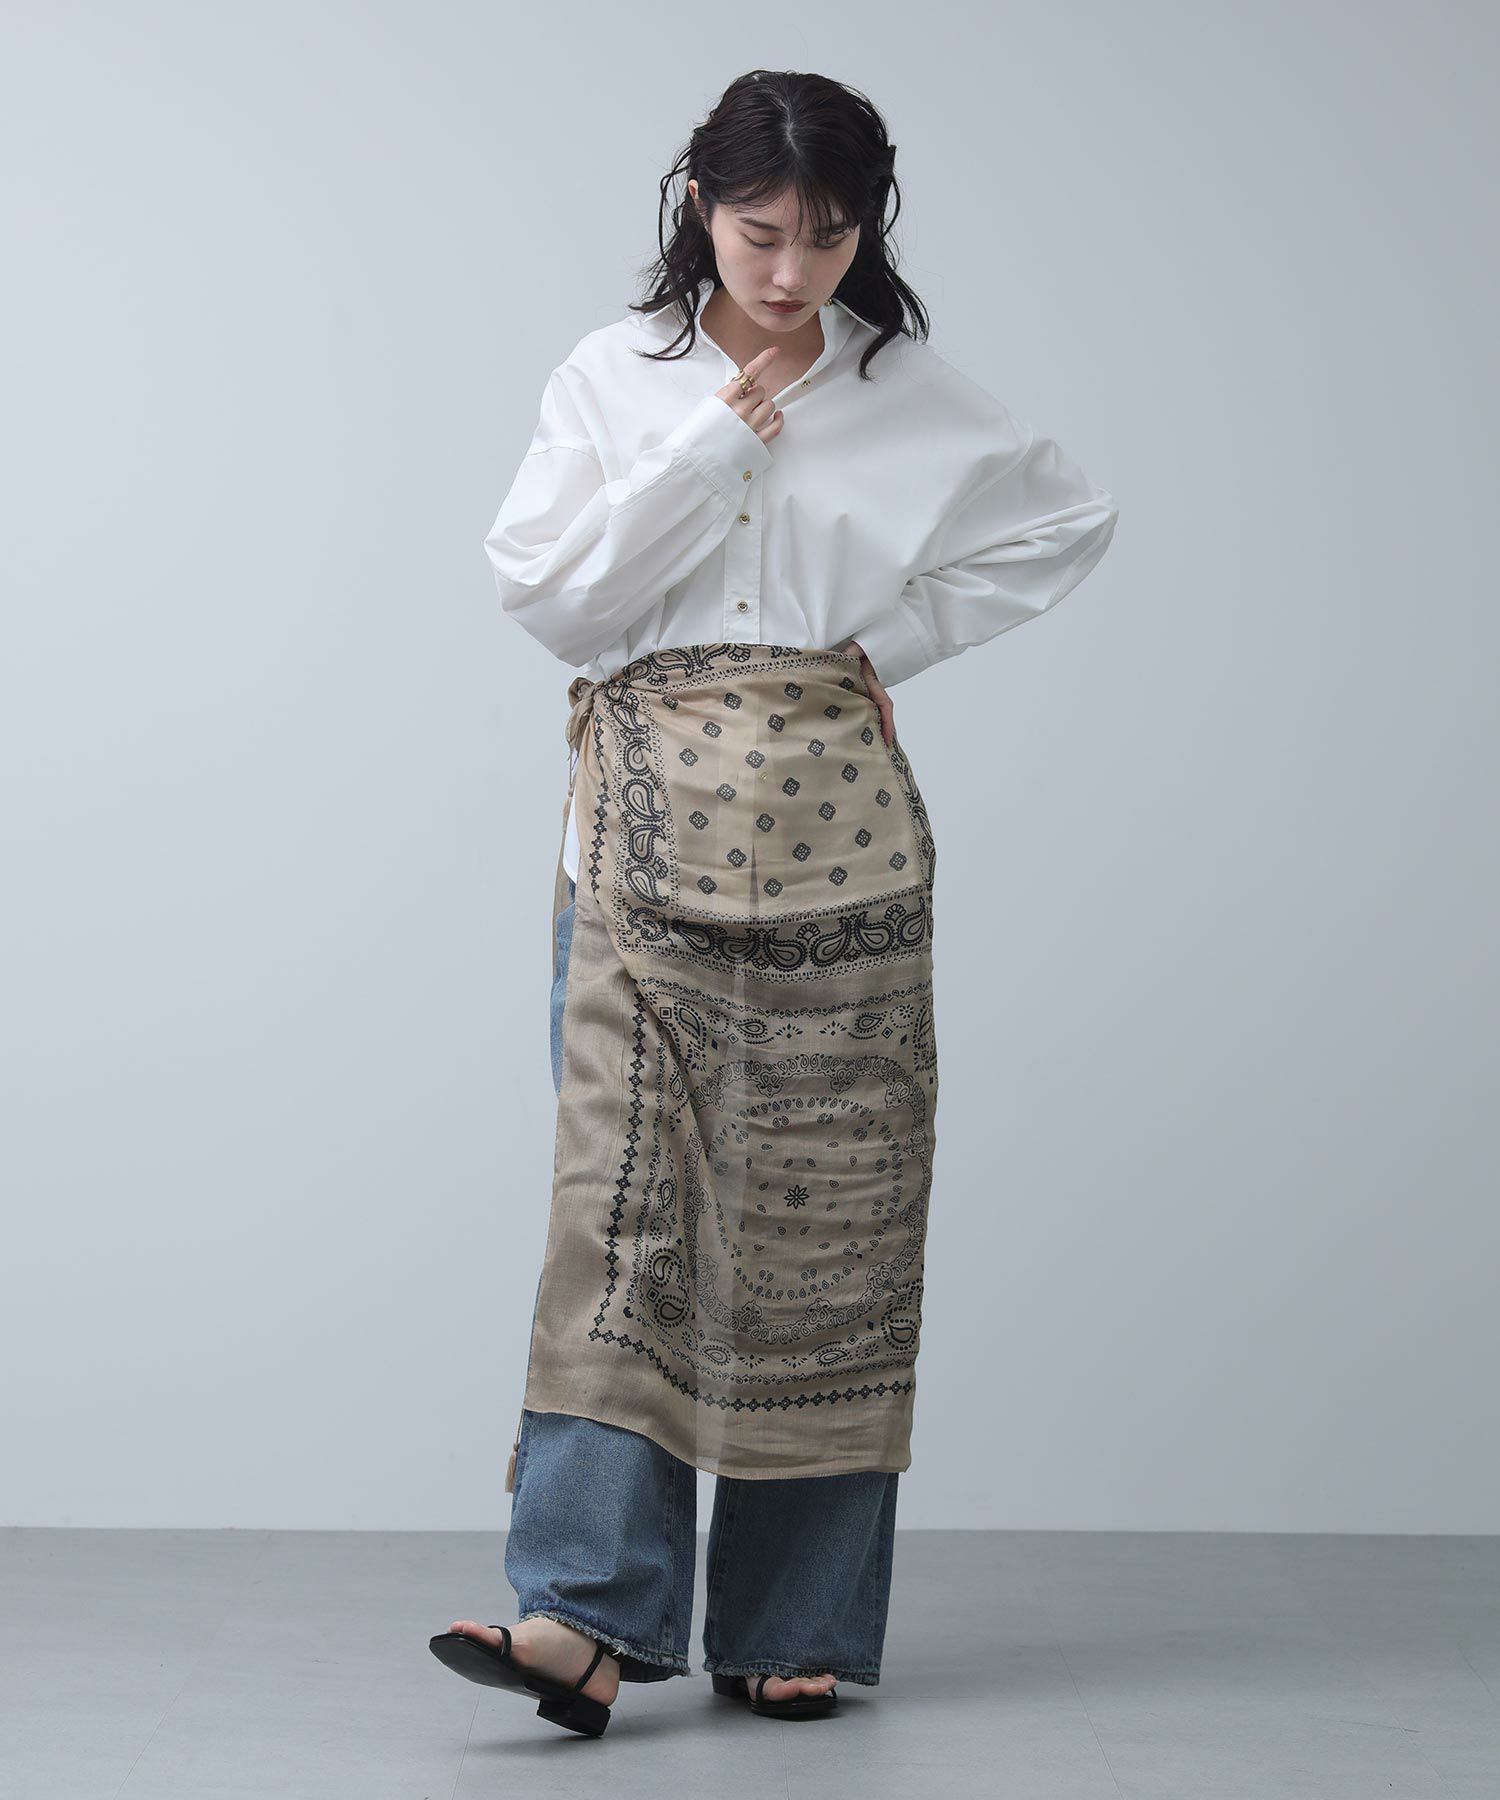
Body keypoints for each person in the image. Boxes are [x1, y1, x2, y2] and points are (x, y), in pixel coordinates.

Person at [429, 68, 1119, 1737]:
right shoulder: (616, 378)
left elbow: (1067, 521)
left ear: (865, 229)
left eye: (826, 236)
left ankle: (791, 1621)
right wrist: (703, 447)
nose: (792, 270)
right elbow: (551, 598)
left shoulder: (905, 389)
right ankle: (583, 1617)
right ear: (700, 208)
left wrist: (896, 644)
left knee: (833, 1212)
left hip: (838, 850)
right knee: (628, 1220)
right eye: (760, 233)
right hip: (637, 849)